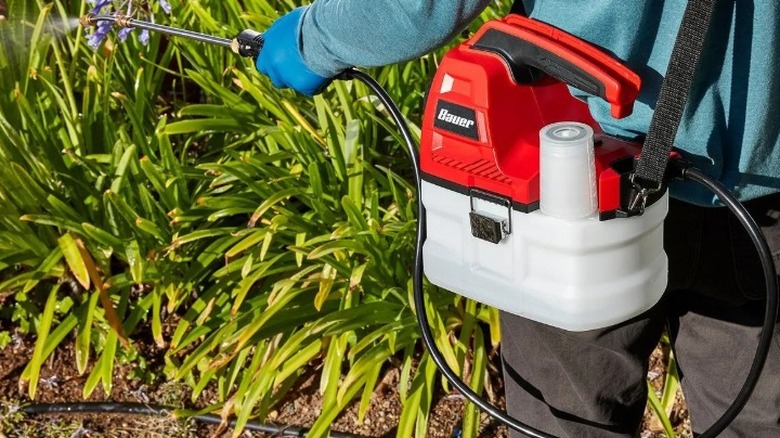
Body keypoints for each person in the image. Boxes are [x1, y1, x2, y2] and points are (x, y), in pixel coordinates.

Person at [255, 1, 780, 437]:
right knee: (756, 417)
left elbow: (419, 8)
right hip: (759, 193)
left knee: (566, 417)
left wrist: (312, 38)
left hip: (573, 192)